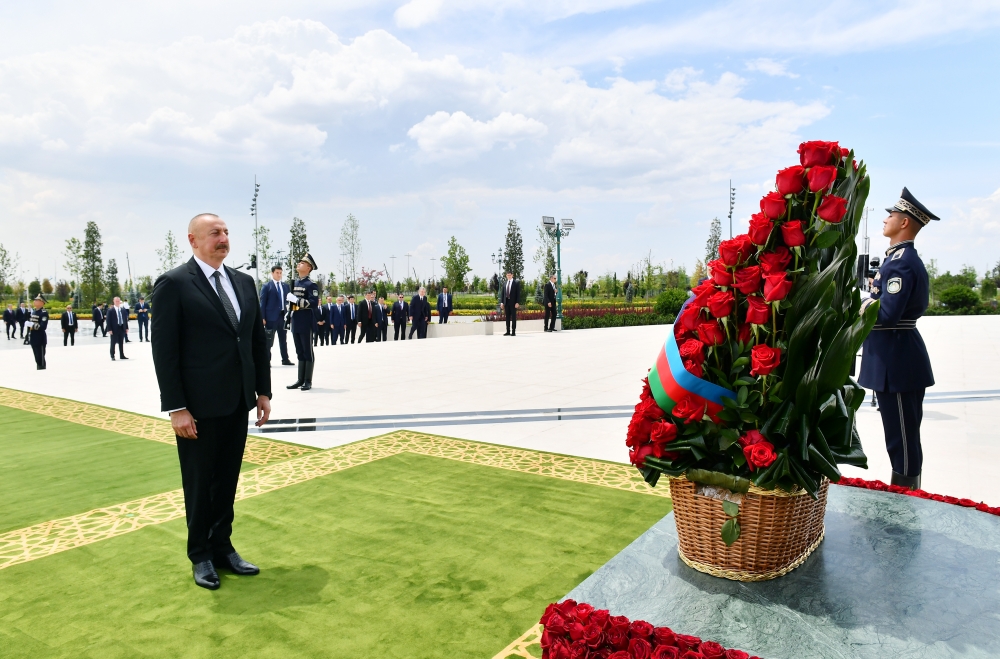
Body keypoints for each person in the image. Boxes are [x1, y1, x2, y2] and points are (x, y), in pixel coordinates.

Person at [151, 212, 271, 590]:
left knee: (227, 480)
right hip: (197, 408)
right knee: (200, 483)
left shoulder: (243, 282)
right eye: (215, 233)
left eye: (226, 232)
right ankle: (200, 554)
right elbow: (165, 351)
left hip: (238, 401)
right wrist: (176, 407)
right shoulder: (174, 284)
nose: (223, 238)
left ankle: (222, 546)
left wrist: (263, 391)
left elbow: (254, 341)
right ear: (193, 239)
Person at [859, 188, 938, 491]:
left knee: (902, 441)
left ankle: (905, 501)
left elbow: (888, 314)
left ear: (904, 222)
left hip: (898, 363)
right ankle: (905, 496)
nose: (885, 219)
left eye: (891, 215)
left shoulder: (901, 263)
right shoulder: (897, 260)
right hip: (895, 359)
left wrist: (860, 301)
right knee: (900, 438)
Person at [286, 253, 321, 390]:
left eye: (302, 263)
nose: (299, 264)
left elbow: (313, 303)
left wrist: (296, 300)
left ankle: (308, 380)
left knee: (307, 351)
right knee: (299, 351)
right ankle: (300, 379)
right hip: (296, 320)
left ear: (308, 268)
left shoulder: (311, 284)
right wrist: (289, 309)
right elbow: (294, 305)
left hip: (306, 321)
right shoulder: (295, 283)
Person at [258, 265, 295, 366]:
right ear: (272, 273)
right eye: (277, 273)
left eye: (280, 273)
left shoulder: (285, 286)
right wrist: (262, 317)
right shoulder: (267, 286)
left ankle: (285, 359)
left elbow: (290, 301)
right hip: (270, 318)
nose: (279, 275)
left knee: (283, 340)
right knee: (269, 340)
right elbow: (262, 303)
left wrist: (290, 315)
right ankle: (267, 360)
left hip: (283, 317)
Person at [27, 295, 48, 369]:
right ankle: (39, 369)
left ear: (42, 302)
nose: (34, 301)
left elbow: (43, 326)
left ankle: (42, 369)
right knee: (36, 356)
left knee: (40, 357)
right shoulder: (34, 312)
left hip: (40, 338)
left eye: (37, 300)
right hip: (33, 337)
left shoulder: (43, 312)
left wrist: (32, 325)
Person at [499, 271, 522, 336]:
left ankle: (513, 331)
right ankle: (508, 331)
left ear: (512, 275)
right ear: (506, 276)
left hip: (513, 303)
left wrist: (517, 302)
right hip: (506, 302)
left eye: (510, 275)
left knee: (513, 317)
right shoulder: (505, 283)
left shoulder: (516, 283)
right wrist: (502, 302)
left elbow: (518, 293)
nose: (509, 276)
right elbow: (503, 294)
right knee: (507, 317)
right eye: (507, 275)